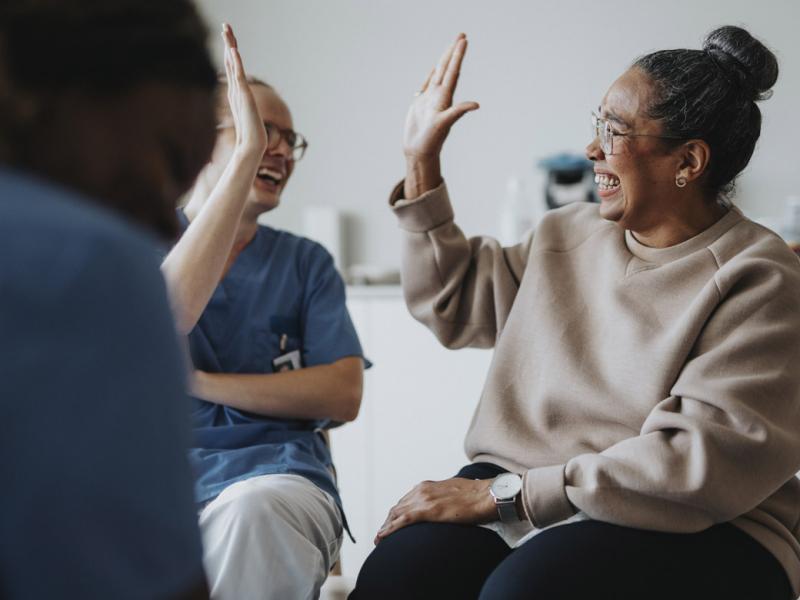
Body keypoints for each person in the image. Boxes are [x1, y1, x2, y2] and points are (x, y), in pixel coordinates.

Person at [351, 26, 800, 600]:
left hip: (703, 520)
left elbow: (693, 463)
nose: (592, 149)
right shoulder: (568, 232)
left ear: (687, 160)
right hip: (528, 487)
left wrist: (506, 496)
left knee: (529, 590)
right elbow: (456, 304)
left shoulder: (758, 276)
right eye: (598, 123)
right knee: (401, 574)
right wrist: (421, 162)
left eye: (614, 131)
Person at [0, 1, 218, 599]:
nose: (168, 226)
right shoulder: (87, 262)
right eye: (170, 162)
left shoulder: (303, 263)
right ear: (78, 92)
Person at [160, 24, 367, 600]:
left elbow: (341, 394)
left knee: (252, 514)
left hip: (279, 480)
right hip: (161, 482)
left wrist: (200, 382)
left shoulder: (305, 264)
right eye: (259, 130)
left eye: (289, 139)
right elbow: (163, 320)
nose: (278, 148)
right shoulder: (142, 235)